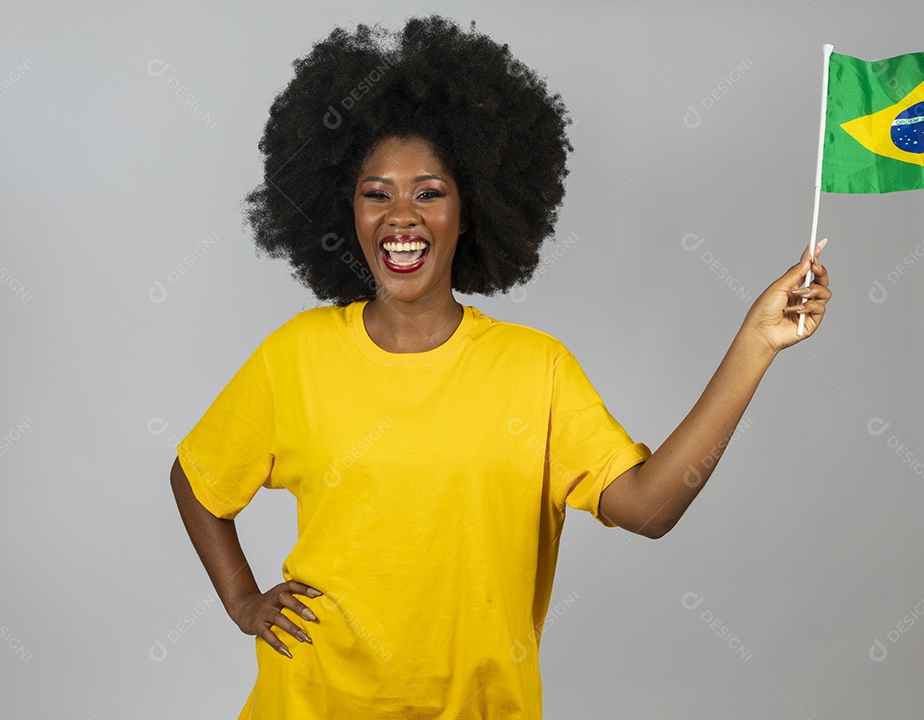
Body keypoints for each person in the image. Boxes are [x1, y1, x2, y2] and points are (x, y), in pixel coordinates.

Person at [169, 15, 830, 719]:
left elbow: (648, 508)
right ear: (347, 207)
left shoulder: (534, 370)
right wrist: (243, 599)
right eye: (376, 192)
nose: (401, 216)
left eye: (429, 191)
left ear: (470, 207)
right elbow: (198, 478)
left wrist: (756, 344)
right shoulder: (295, 355)